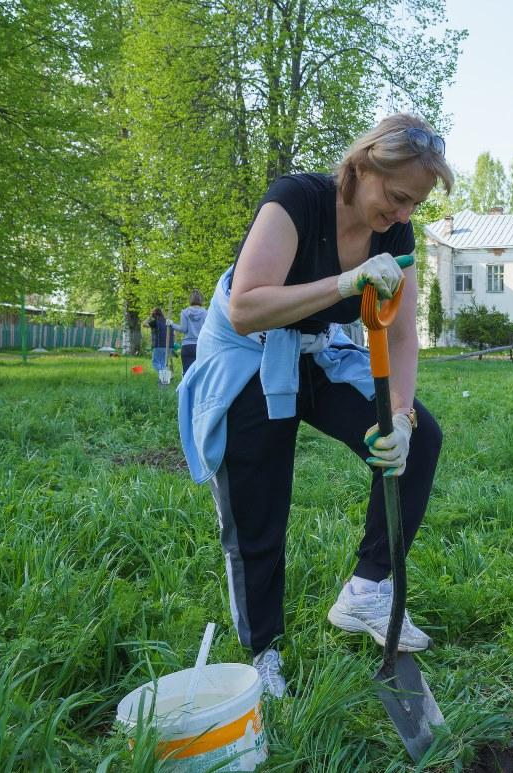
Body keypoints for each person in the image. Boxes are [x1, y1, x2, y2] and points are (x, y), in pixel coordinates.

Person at [177, 113, 451, 697]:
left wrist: (399, 418)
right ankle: (263, 650)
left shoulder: (393, 233)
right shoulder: (294, 200)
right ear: (360, 167)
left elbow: (401, 335)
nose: (403, 216)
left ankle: (367, 591)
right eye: (398, 197)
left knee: (419, 439)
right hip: (250, 351)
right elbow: (248, 306)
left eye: (414, 206)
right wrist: (346, 284)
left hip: (321, 353)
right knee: (260, 497)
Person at [170, 290, 208, 374]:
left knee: (187, 373)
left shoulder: (185, 312)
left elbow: (183, 329)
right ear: (201, 299)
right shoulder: (205, 313)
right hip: (201, 345)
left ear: (190, 299)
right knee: (200, 373)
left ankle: (186, 387)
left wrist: (172, 324)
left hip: (187, 346)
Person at [145, 308, 170, 386]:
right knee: (163, 363)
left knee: (155, 363)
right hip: (168, 345)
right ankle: (163, 382)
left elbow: (144, 324)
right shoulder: (167, 321)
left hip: (159, 345)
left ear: (154, 315)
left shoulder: (155, 322)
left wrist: (149, 317)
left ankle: (165, 376)